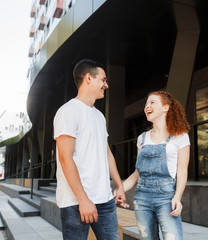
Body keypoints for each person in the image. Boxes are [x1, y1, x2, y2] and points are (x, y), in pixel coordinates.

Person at [53, 59, 127, 240]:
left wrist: (119, 185)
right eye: (103, 80)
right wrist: (83, 200)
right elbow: (65, 158)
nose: (106, 85)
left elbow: (106, 152)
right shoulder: (68, 111)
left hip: (105, 198)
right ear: (88, 78)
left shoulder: (99, 116)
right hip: (76, 202)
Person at [117, 91, 191, 240]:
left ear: (166, 107)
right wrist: (120, 190)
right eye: (146, 104)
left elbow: (182, 170)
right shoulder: (142, 139)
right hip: (141, 198)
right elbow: (138, 173)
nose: (147, 106)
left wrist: (177, 197)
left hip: (166, 197)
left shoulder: (180, 136)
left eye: (152, 103)